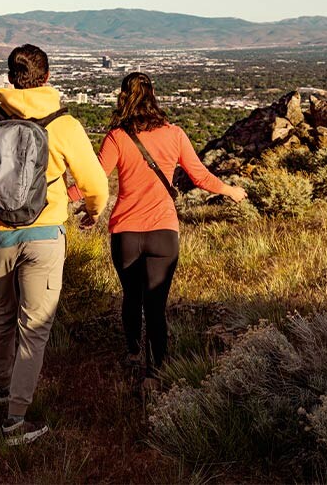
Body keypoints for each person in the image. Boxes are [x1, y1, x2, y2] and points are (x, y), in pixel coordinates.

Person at [0, 44, 109, 445]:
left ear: (10, 78)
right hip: (45, 237)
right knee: (33, 328)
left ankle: (2, 394)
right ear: (46, 77)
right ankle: (15, 421)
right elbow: (96, 184)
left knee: (2, 317)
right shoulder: (64, 124)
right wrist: (92, 211)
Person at [81, 72, 246, 391]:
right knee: (155, 306)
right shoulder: (175, 134)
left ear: (122, 97)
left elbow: (95, 179)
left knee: (132, 298)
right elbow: (200, 176)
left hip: (126, 233)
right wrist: (230, 190)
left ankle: (133, 352)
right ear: (153, 96)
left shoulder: (117, 136)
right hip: (163, 233)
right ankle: (154, 373)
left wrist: (64, 198)